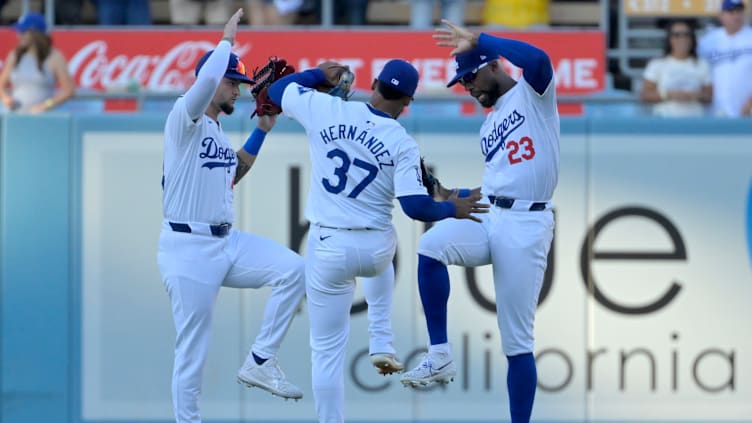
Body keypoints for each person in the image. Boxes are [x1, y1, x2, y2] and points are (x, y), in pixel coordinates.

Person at [265, 58, 489, 422]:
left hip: (328, 245)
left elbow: (276, 91)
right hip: (375, 248)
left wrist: (318, 75)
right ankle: (381, 339)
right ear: (408, 103)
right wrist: (454, 208)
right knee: (384, 245)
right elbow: (418, 205)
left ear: (374, 84)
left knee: (325, 351)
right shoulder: (401, 141)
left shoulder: (328, 107)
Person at [400, 20, 559, 423]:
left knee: (517, 344)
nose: (467, 87)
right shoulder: (489, 124)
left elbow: (539, 59)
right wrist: (451, 195)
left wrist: (480, 39)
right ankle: (439, 356)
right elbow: (499, 181)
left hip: (526, 223)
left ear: (492, 66)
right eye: (462, 82)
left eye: (470, 77)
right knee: (430, 247)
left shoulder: (533, 94)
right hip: (491, 211)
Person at [157, 9, 305, 423]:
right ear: (213, 78)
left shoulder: (217, 133)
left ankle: (260, 359)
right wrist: (226, 41)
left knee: (293, 269)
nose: (239, 90)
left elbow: (234, 171)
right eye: (233, 82)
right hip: (187, 248)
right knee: (192, 352)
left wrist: (262, 130)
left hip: (224, 241)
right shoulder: (183, 120)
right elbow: (204, 82)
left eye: (241, 83)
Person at [0, 13, 74, 113]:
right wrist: (6, 98)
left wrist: (45, 106)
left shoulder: (54, 56)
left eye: (23, 32)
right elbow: (1, 85)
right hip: (15, 116)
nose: (18, 36)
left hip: (43, 119)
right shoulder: (14, 55)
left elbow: (69, 90)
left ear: (35, 34)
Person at [641, 19, 712, 117]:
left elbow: (708, 96)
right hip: (665, 122)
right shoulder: (657, 64)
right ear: (670, 39)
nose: (682, 39)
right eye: (677, 35)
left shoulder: (702, 64)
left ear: (692, 38)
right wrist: (669, 95)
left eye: (686, 34)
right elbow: (645, 95)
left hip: (694, 122)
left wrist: (695, 96)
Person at [698, 0, 752, 117]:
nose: (736, 16)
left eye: (739, 11)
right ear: (721, 16)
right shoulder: (707, 41)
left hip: (748, 111)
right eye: (731, 12)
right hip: (714, 111)